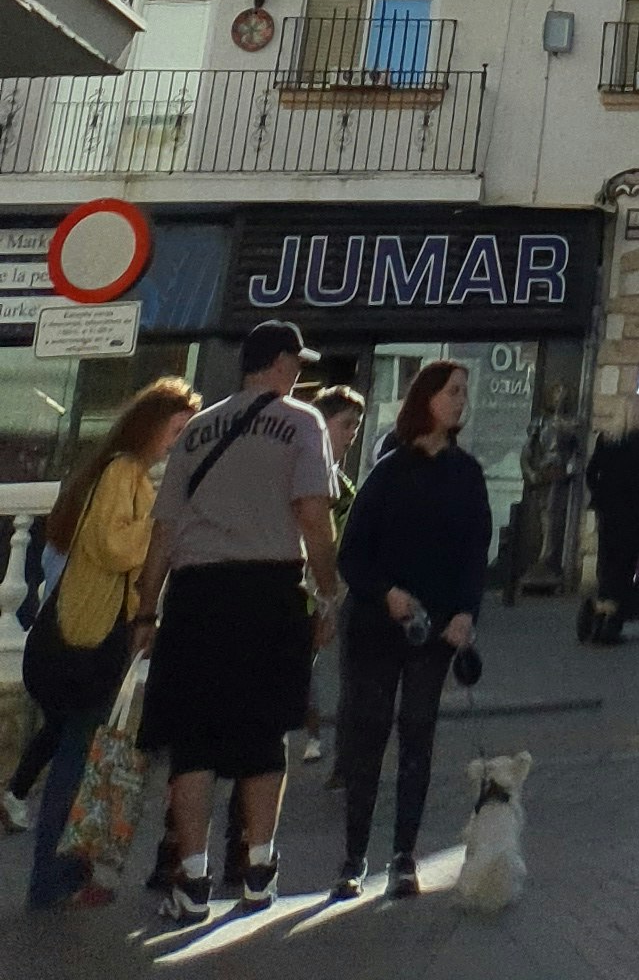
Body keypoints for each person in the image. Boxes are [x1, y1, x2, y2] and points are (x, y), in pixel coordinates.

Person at [130, 317, 342, 922]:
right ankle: (258, 869)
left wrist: (147, 610)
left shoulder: (198, 428)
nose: (299, 373)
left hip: (197, 594)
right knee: (264, 734)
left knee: (192, 741)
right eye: (296, 363)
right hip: (268, 590)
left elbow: (165, 529)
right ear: (278, 363)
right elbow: (312, 515)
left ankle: (193, 878)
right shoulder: (301, 422)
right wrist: (327, 594)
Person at [19, 379, 197, 914]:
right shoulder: (125, 472)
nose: (177, 441)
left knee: (76, 756)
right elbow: (115, 545)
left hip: (81, 629)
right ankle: (53, 878)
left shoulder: (115, 469)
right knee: (77, 760)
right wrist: (163, 522)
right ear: (154, 425)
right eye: (176, 429)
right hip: (93, 637)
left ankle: (61, 875)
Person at [331, 359, 491, 902]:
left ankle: (403, 857)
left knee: (418, 737)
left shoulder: (468, 475)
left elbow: (475, 554)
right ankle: (353, 859)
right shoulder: (388, 470)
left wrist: (467, 613)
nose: (461, 400)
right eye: (453, 391)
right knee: (368, 738)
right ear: (426, 399)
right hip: (379, 628)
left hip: (436, 634)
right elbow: (350, 554)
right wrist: (386, 595)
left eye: (465, 392)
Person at [292, 388, 367, 769]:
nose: (352, 434)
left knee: (309, 668)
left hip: (321, 594)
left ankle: (318, 740)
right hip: (294, 588)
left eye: (357, 426)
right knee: (296, 668)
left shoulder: (346, 486)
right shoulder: (302, 470)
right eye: (346, 425)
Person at [580, 400, 639, 643]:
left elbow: (591, 473)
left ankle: (603, 607)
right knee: (625, 564)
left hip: (607, 512)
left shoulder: (605, 439)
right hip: (631, 514)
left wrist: (601, 494)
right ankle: (615, 615)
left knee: (607, 561)